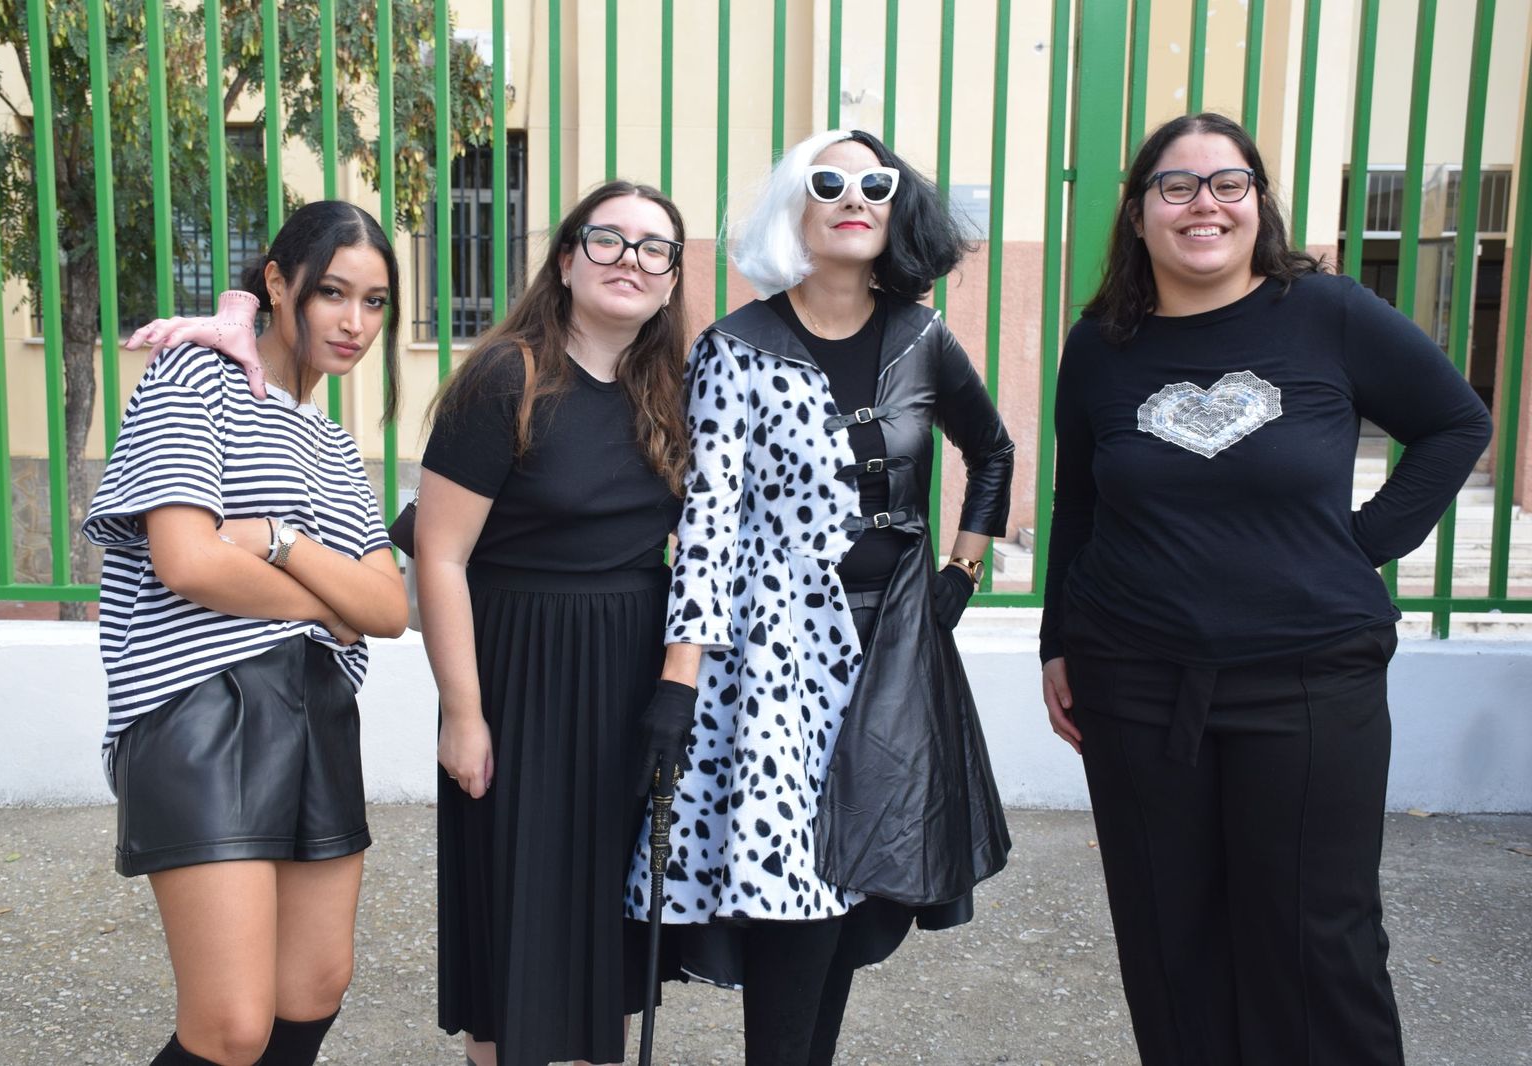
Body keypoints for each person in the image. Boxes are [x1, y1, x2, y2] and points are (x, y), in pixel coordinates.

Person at [1038, 112, 1493, 1066]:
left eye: (1228, 183)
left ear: (1258, 201)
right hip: (1137, 681)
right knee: (1170, 939)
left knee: (1315, 939)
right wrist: (1057, 643)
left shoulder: (1326, 313)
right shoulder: (1101, 345)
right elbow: (1078, 503)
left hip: (1310, 681)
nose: (1204, 204)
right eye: (1176, 185)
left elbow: (1455, 423)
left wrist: (1356, 547)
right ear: (1138, 212)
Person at [623, 128, 1015, 1065]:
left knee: (853, 890)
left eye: (874, 183)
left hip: (896, 660)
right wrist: (681, 679)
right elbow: (709, 523)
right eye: (827, 181)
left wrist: (959, 574)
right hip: (779, 667)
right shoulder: (737, 347)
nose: (854, 197)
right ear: (793, 208)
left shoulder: (924, 338)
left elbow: (991, 451)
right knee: (795, 900)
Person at [84, 200, 409, 1066]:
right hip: (200, 711)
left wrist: (275, 539)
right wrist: (321, 602)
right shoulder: (197, 379)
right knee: (231, 1025)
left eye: (375, 302)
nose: (354, 321)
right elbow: (187, 561)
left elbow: (389, 610)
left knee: (313, 988)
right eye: (334, 292)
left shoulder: (336, 449)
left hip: (318, 712)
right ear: (277, 282)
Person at [416, 180, 690, 1066]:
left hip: (625, 687)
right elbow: (440, 556)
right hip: (519, 680)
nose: (630, 261)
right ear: (567, 260)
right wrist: (463, 714)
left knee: (600, 930)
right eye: (607, 240)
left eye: (655, 248)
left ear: (672, 279)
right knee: (516, 925)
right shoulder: (508, 378)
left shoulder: (670, 393)